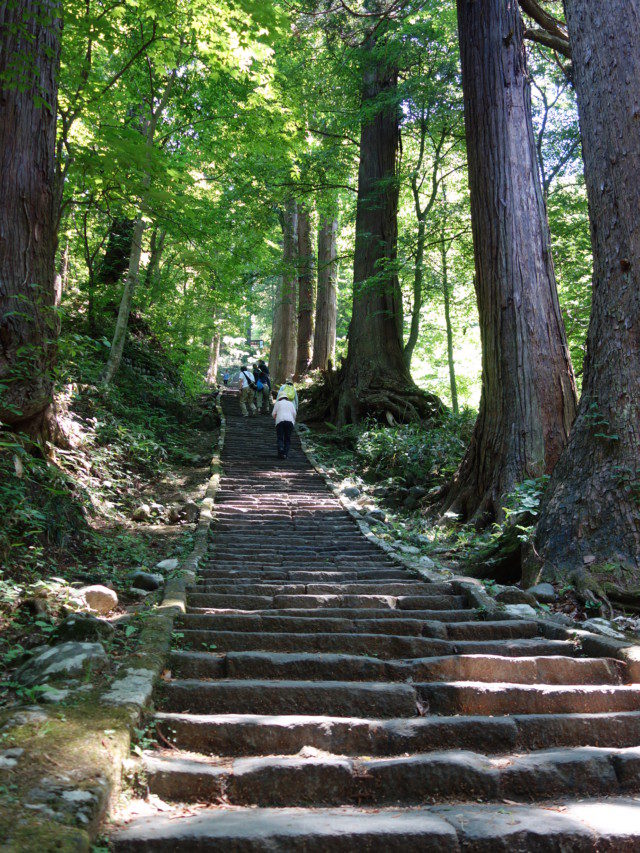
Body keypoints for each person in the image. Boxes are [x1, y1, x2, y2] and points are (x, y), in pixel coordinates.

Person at [272, 384, 296, 459]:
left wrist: (276, 418)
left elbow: (273, 414)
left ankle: (281, 450)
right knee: (287, 438)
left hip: (280, 421)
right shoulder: (291, 404)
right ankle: (285, 454)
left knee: (280, 437)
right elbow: (294, 414)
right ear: (286, 398)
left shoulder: (278, 403)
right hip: (289, 422)